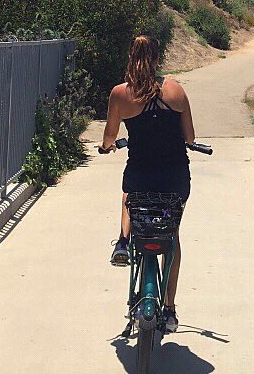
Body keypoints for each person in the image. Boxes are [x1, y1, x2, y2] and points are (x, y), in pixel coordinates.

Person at [99, 34, 196, 333]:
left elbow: (108, 138)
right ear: (158, 58)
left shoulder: (120, 94)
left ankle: (124, 241)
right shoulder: (176, 90)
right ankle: (169, 309)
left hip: (141, 175)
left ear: (131, 56)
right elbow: (190, 138)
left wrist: (108, 147)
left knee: (130, 194)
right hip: (174, 179)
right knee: (172, 236)